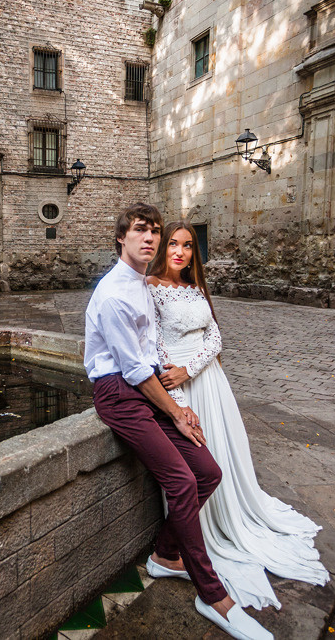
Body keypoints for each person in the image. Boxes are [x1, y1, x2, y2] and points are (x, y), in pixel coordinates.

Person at [84, 203, 272, 640]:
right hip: (119, 394)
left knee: (208, 471)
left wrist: (177, 400)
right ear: (121, 238)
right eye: (140, 232)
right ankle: (214, 596)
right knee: (183, 481)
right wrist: (177, 410)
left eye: (154, 232)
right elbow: (133, 370)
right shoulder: (114, 293)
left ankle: (166, 555)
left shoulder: (142, 286)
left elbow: (155, 354)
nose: (149, 239)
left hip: (150, 388)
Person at [145, 220, 330, 610]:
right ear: (163, 248)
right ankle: (186, 538)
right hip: (179, 388)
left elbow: (215, 337)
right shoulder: (151, 290)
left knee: (225, 453)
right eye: (174, 244)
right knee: (198, 455)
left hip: (209, 380)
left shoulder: (195, 288)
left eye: (189, 245)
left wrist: (191, 367)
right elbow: (156, 347)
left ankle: (229, 518)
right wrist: (176, 394)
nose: (180, 251)